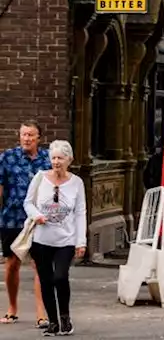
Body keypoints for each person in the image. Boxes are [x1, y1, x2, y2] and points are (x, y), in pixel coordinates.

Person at [24, 140, 85, 337]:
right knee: (46, 280)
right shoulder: (40, 178)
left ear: (69, 160)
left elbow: (80, 212)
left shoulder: (77, 182)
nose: (56, 162)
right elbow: (28, 202)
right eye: (53, 158)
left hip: (65, 240)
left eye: (61, 158)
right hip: (41, 239)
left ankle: (65, 317)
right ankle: (53, 322)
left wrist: (80, 241)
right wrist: (36, 215)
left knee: (60, 277)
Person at [0, 122, 48, 328]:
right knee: (12, 265)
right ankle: (12, 308)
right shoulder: (7, 158)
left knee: (39, 265)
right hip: (13, 217)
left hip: (39, 219)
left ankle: (41, 313)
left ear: (39, 138)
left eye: (31, 135)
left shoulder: (48, 159)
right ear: (19, 136)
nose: (27, 138)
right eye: (23, 135)